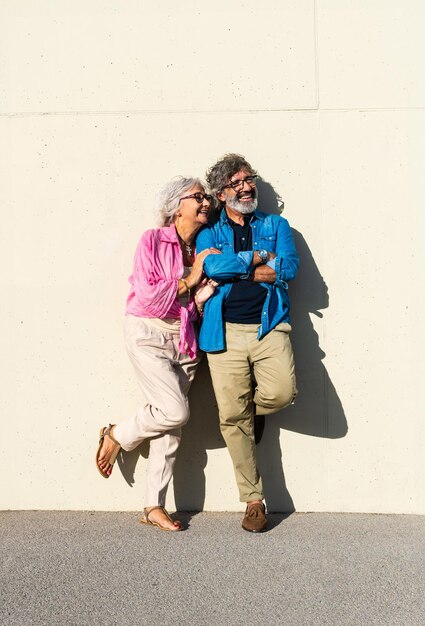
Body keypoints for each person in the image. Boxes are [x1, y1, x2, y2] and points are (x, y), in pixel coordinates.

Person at [96, 177, 219, 532]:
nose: (205, 202)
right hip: (148, 333)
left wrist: (198, 299)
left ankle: (153, 504)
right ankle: (119, 435)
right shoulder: (152, 240)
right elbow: (150, 297)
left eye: (205, 196)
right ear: (176, 206)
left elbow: (188, 306)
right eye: (198, 197)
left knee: (173, 424)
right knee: (174, 411)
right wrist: (193, 278)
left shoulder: (203, 245)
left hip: (184, 340)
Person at [196, 154, 299, 533]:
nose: (247, 187)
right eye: (237, 183)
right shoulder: (210, 233)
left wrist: (237, 265)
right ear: (222, 194)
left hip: (268, 325)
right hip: (223, 332)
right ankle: (253, 501)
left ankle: (254, 409)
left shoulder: (276, 224)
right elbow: (211, 267)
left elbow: (289, 267)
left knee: (282, 393)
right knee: (230, 418)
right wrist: (256, 259)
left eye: (249, 179)